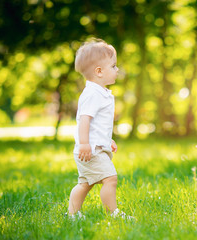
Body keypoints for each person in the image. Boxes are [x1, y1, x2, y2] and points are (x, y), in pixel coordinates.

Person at [67, 39, 132, 220]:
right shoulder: (92, 94)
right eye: (113, 66)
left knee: (85, 183)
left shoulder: (100, 92)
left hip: (95, 146)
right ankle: (113, 214)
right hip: (91, 150)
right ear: (99, 72)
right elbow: (84, 120)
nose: (117, 69)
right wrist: (85, 144)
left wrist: (106, 140)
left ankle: (73, 215)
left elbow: (98, 125)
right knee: (110, 179)